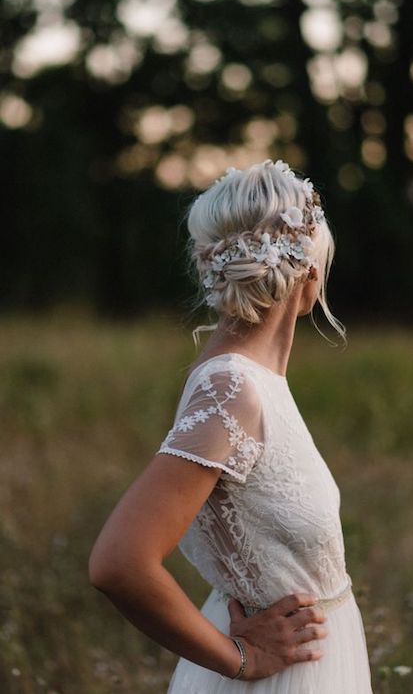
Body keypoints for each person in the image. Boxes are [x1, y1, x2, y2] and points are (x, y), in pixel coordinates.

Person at [89, 159, 373, 692]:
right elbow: (118, 562)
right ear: (310, 276)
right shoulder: (231, 387)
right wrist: (240, 659)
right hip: (275, 679)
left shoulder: (251, 381)